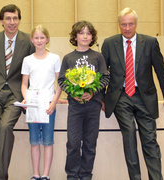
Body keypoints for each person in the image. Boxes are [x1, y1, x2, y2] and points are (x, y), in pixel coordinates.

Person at [101, 7, 164, 180]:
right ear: (119, 25)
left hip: (144, 97)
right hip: (121, 97)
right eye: (123, 25)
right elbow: (102, 74)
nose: (127, 28)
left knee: (150, 140)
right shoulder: (109, 43)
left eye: (131, 24)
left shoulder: (150, 42)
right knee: (129, 138)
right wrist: (101, 98)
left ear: (136, 24)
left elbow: (160, 71)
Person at [0, 4, 35, 180]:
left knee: (5, 127)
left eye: (15, 18)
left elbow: (33, 71)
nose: (12, 22)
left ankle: (1, 176)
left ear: (19, 20)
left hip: (15, 94)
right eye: (8, 18)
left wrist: (31, 98)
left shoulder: (28, 41)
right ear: (1, 21)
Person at [58, 20, 110, 180]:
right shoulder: (68, 58)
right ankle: (72, 176)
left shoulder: (98, 56)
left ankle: (86, 175)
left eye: (88, 33)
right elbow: (61, 80)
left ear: (92, 37)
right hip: (75, 107)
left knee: (89, 143)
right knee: (73, 143)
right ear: (75, 36)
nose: (85, 36)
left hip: (93, 106)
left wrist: (93, 93)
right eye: (81, 33)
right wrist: (72, 93)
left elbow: (105, 78)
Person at [21, 25, 62, 180]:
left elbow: (60, 83)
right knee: (34, 141)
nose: (39, 40)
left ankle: (45, 175)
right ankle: (35, 174)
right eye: (36, 38)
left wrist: (54, 102)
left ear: (47, 40)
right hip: (32, 105)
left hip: (48, 106)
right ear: (32, 40)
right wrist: (26, 98)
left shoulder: (55, 58)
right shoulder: (27, 60)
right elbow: (24, 84)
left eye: (42, 37)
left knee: (48, 141)